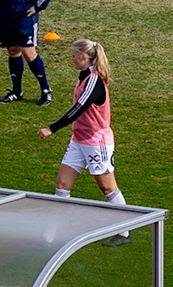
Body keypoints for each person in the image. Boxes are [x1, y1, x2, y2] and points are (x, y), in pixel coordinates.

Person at [38, 38, 130, 245]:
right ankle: (51, 235)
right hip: (79, 139)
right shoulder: (83, 76)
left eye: (74, 56)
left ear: (85, 57)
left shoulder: (94, 81)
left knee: (107, 188)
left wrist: (52, 128)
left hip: (97, 142)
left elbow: (79, 107)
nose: (71, 59)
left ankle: (124, 232)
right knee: (62, 184)